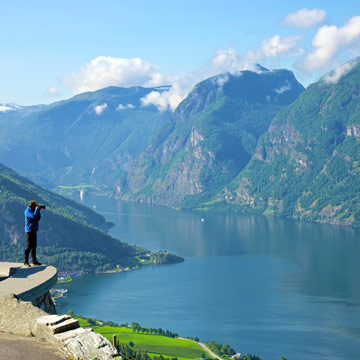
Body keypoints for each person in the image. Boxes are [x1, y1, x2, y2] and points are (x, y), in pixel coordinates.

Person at [24, 200, 42, 266]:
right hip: (29, 231)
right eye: (35, 205)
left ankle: (34, 261)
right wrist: (37, 210)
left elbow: (38, 218)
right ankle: (26, 261)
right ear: (32, 206)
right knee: (29, 246)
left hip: (34, 230)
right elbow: (34, 217)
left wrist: (38, 211)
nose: (36, 206)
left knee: (34, 246)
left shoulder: (33, 211)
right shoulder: (27, 211)